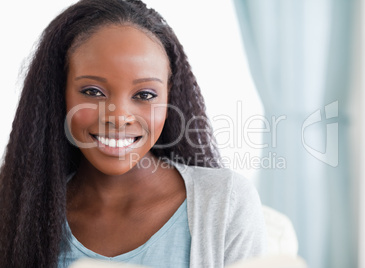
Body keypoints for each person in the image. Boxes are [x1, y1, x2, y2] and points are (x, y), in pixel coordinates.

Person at [0, 0, 268, 267]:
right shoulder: (16, 207)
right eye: (92, 92)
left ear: (169, 95)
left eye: (144, 95)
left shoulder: (225, 202)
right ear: (59, 92)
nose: (118, 118)